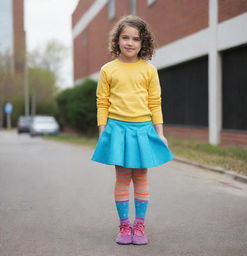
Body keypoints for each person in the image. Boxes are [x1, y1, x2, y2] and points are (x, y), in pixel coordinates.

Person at [91, 15, 173, 245]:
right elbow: (102, 103)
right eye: (125, 37)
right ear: (117, 40)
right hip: (117, 129)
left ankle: (140, 225)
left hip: (143, 130)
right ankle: (125, 226)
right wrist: (102, 132)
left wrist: (160, 133)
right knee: (122, 177)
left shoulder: (149, 70)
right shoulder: (108, 70)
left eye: (135, 39)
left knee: (141, 176)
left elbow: (155, 103)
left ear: (142, 42)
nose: (130, 43)